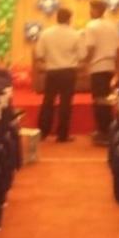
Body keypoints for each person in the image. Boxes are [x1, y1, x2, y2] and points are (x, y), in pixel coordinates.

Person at [35, 7, 83, 143]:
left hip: (52, 72)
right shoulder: (75, 34)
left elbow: (39, 54)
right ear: (69, 19)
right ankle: (62, 135)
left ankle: (43, 132)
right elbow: (82, 54)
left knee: (48, 102)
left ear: (57, 18)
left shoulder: (46, 33)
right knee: (65, 103)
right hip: (68, 72)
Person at [81, 0, 119, 146]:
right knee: (106, 101)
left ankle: (103, 133)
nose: (90, 11)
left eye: (91, 8)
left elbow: (91, 48)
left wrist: (85, 64)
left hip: (97, 67)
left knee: (99, 101)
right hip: (109, 67)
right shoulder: (113, 25)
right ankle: (108, 130)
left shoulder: (91, 25)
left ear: (97, 10)